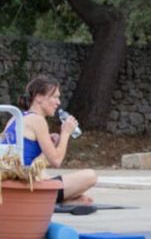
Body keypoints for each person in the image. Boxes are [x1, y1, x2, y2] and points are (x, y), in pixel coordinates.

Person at [1, 75, 97, 205]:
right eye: (55, 97)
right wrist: (65, 133)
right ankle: (57, 199)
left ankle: (64, 199)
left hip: (11, 182)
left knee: (47, 175)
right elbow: (56, 161)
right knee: (90, 176)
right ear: (39, 97)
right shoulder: (38, 120)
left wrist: (50, 142)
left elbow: (32, 161)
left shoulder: (16, 118)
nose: (58, 102)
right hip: (26, 186)